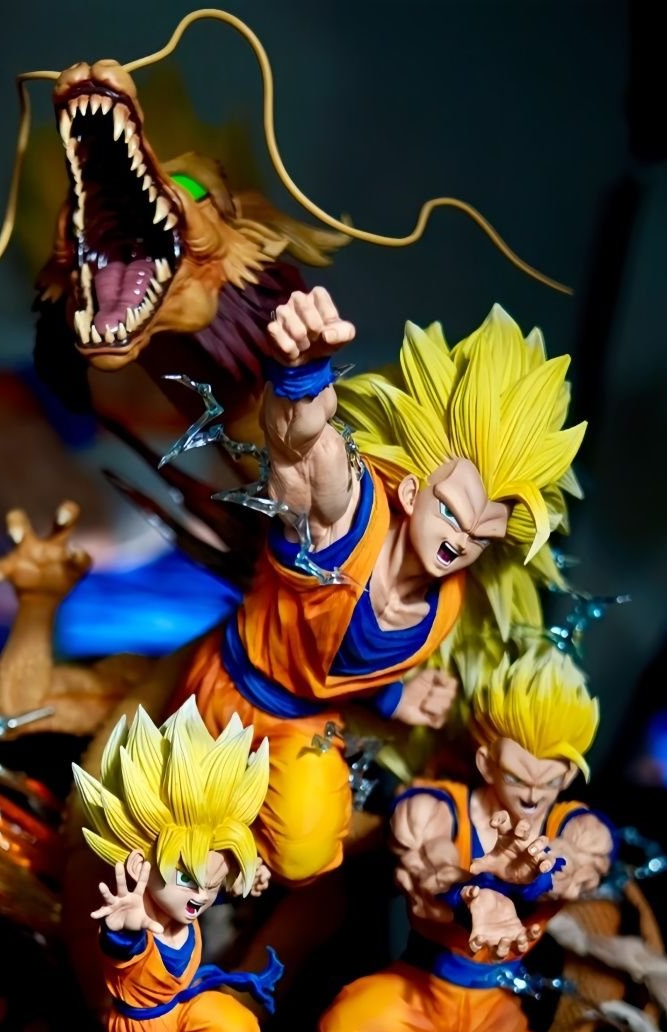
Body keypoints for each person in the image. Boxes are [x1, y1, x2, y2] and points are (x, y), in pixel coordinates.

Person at [175, 287, 586, 885]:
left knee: (307, 857)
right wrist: (302, 378)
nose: (460, 539)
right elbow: (304, 460)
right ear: (413, 492)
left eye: (481, 536)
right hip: (221, 689)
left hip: (302, 729)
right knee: (162, 827)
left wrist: (395, 698)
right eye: (452, 512)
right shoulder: (350, 522)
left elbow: (345, 669)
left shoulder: (445, 607)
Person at [303, 649, 615, 1032]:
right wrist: (476, 889)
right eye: (519, 777)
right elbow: (431, 864)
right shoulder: (434, 806)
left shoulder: (574, 826)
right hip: (422, 991)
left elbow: (581, 863)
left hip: (497, 1019)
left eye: (550, 780)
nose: (534, 794)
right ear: (486, 760)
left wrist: (539, 872)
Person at [74, 697, 277, 1032]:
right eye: (188, 879)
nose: (200, 896)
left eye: (210, 883)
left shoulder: (185, 900)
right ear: (141, 865)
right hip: (141, 1030)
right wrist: (124, 932)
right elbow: (121, 951)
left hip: (185, 1004)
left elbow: (203, 894)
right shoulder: (135, 921)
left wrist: (241, 881)